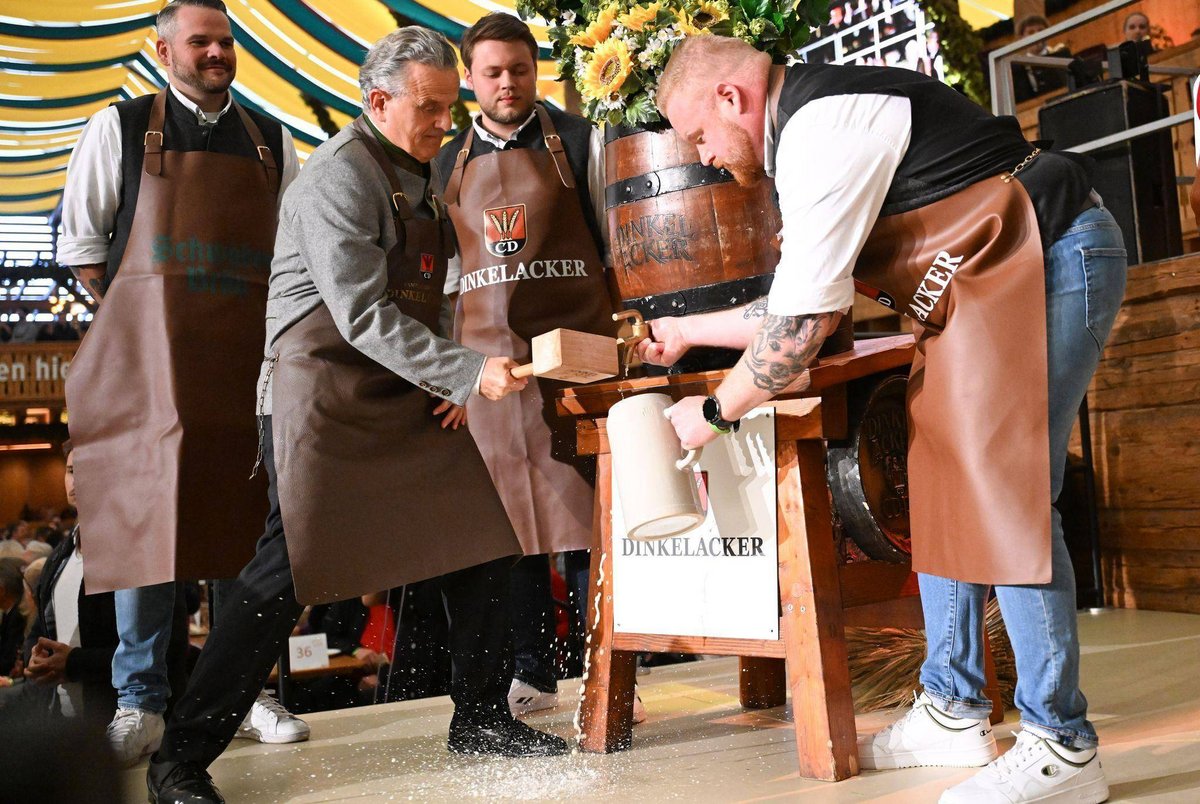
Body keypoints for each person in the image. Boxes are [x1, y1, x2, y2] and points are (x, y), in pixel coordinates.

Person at [644, 35, 1126, 804]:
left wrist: (712, 414)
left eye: (698, 133)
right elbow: (805, 299)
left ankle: (1061, 745)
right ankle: (953, 706)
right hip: (979, 285)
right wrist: (693, 330)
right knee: (938, 474)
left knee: (1008, 492)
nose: (702, 156)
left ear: (731, 98)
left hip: (1048, 256)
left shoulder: (818, 128)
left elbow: (798, 336)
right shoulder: (807, 129)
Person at [146, 25, 569, 804]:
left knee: (481, 541)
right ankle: (179, 760)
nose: (447, 123)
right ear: (378, 100)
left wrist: (445, 379)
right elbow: (363, 316)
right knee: (281, 579)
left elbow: (432, 290)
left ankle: (479, 716)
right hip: (321, 395)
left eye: (451, 107)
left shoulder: (421, 169)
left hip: (402, 387)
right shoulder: (338, 177)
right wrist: (470, 372)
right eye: (432, 108)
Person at [57, 0, 308, 765]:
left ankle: (248, 695)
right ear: (161, 47)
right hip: (149, 373)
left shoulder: (271, 141)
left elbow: (294, 258)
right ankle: (140, 702)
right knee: (146, 533)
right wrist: (139, 335)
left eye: (225, 41)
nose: (216, 53)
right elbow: (84, 248)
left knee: (244, 535)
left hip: (247, 372)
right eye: (200, 41)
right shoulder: (121, 129)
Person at [434, 12, 609, 719]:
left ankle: (610, 660)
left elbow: (609, 237)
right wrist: (447, 371)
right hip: (490, 368)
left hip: (581, 353)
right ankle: (534, 672)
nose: (508, 83)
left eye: (519, 69)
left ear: (537, 70)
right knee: (517, 530)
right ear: (469, 80)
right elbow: (443, 272)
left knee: (594, 517)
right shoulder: (444, 160)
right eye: (493, 72)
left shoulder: (578, 140)